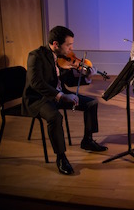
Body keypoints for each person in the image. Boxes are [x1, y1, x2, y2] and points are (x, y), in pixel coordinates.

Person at [22, 26, 108, 175]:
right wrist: (61, 96)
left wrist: (86, 76)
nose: (71, 49)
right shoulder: (35, 56)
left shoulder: (60, 59)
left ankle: (87, 140)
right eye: (68, 45)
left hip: (57, 95)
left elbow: (68, 80)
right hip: (38, 98)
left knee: (91, 103)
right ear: (56, 44)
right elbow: (36, 83)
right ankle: (61, 157)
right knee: (55, 117)